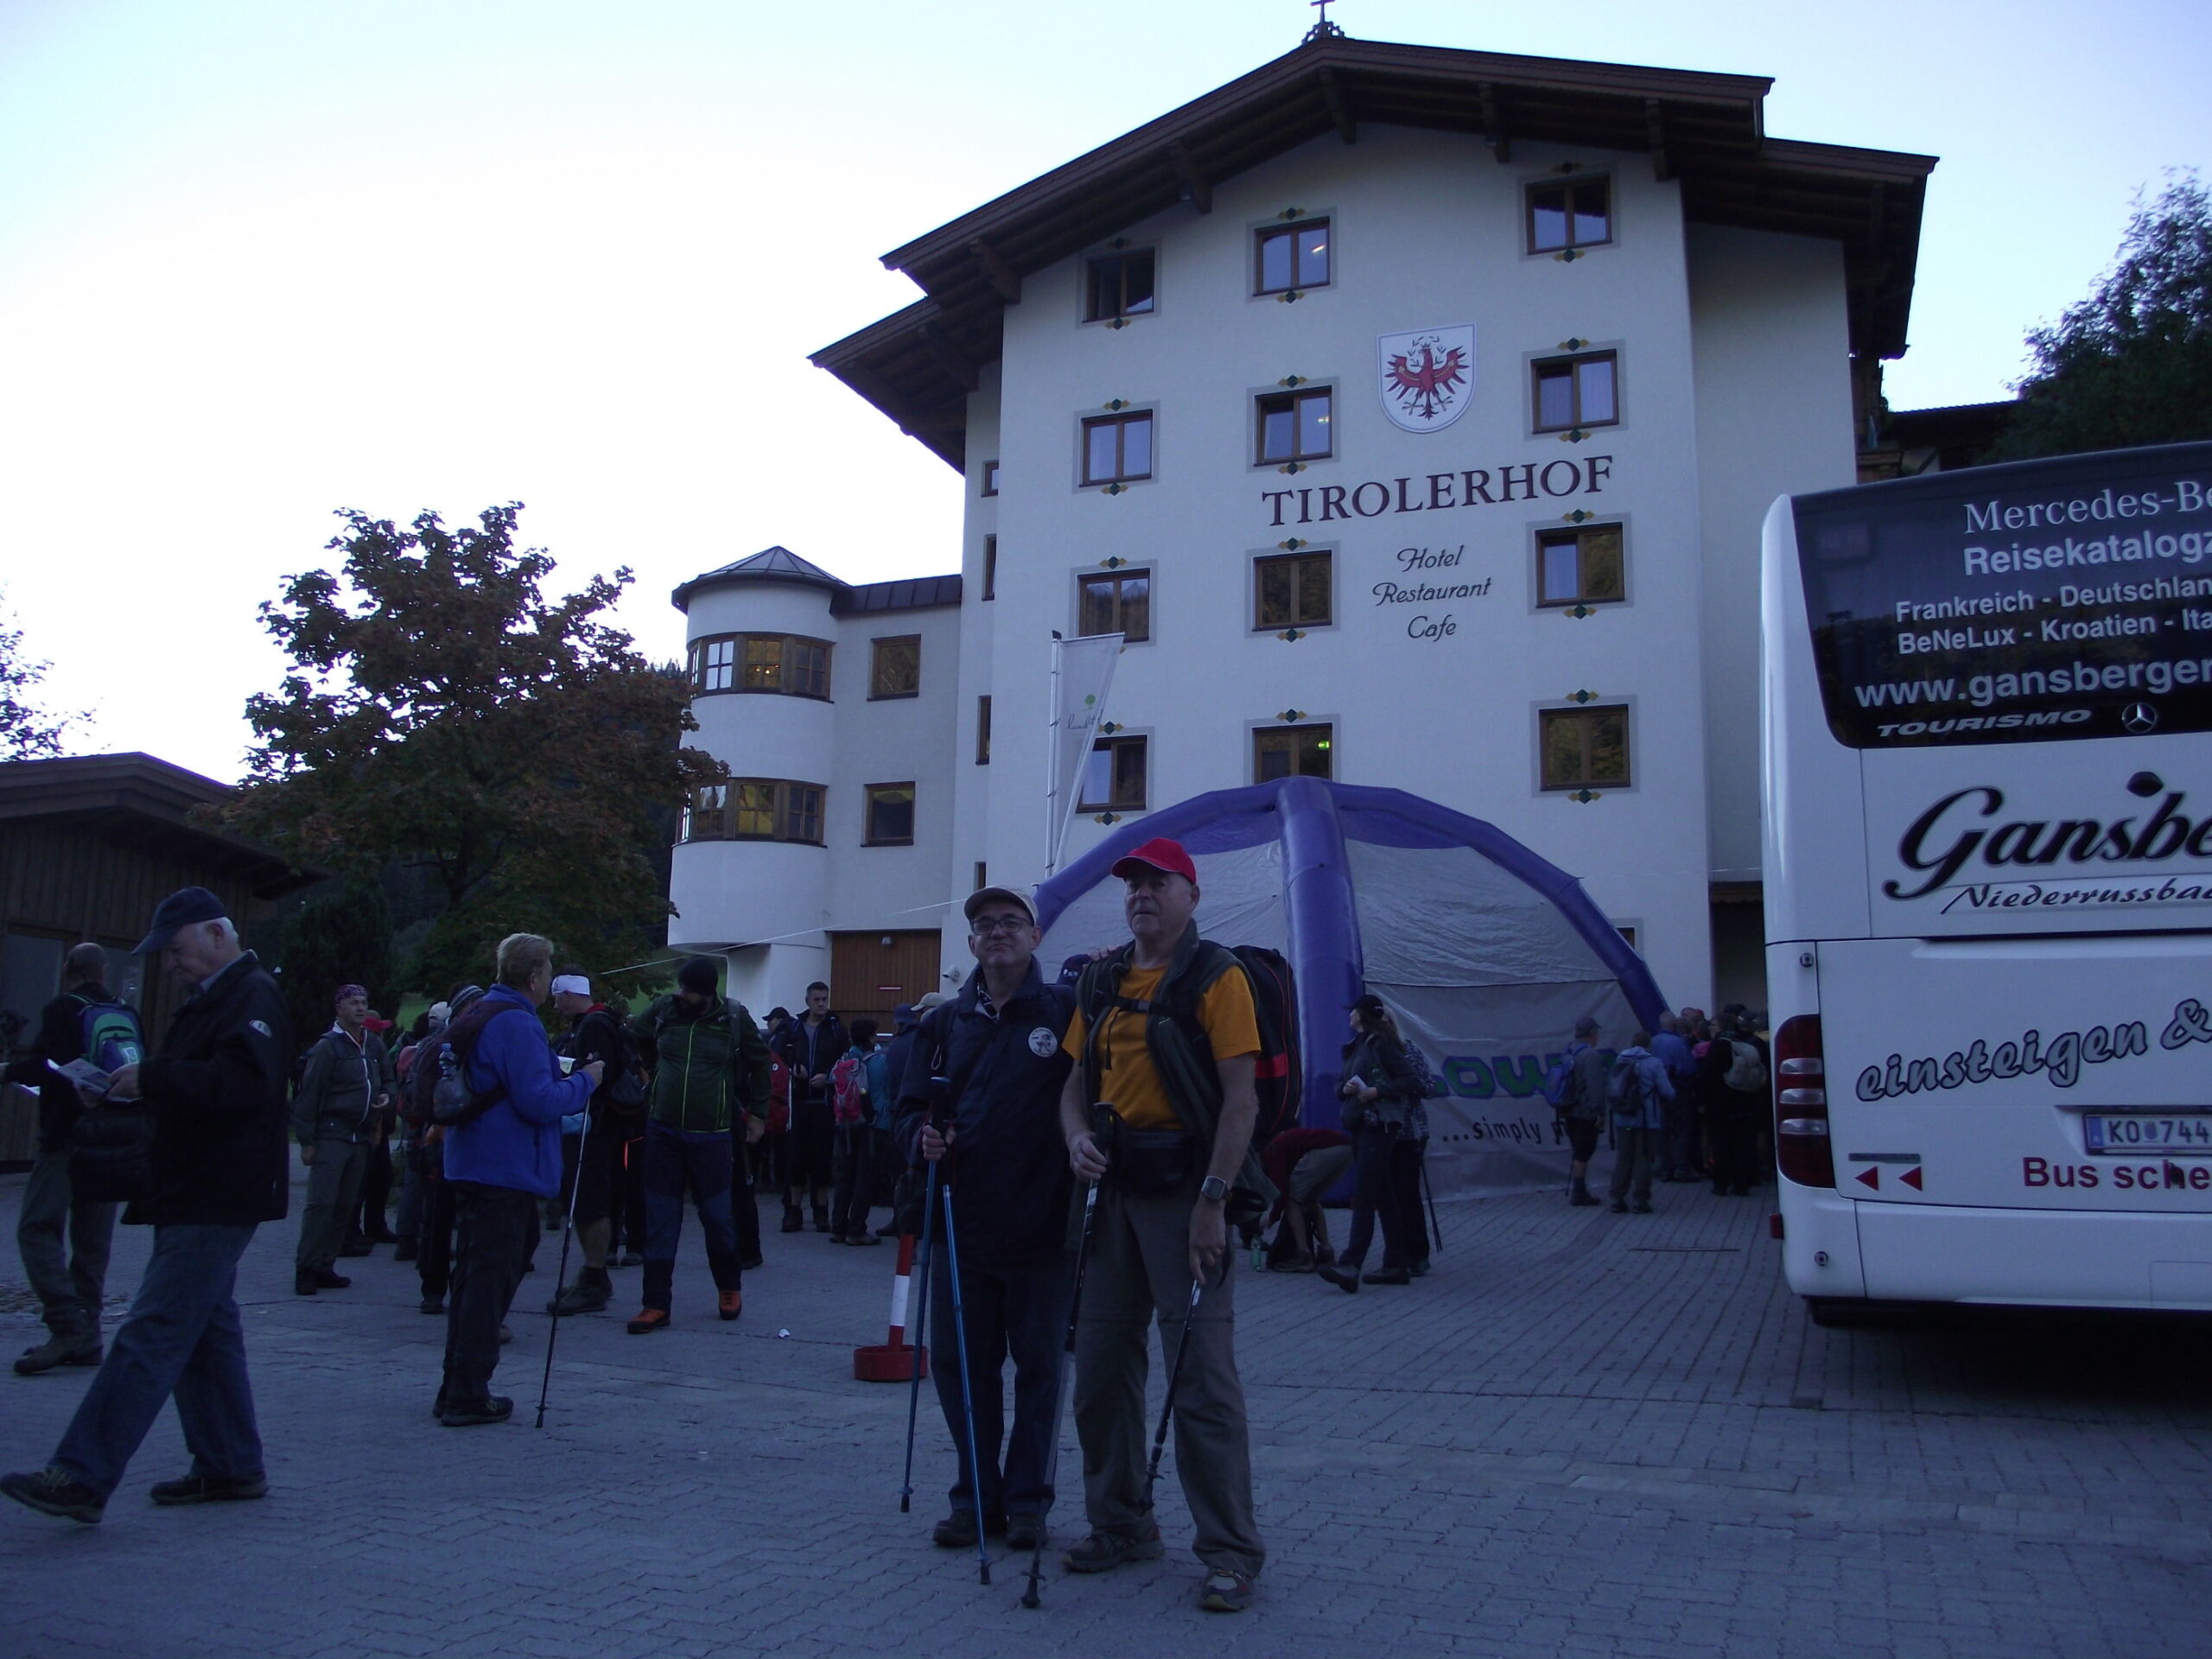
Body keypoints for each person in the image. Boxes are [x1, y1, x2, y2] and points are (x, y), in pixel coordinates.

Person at [2, 887, 290, 1522]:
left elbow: (244, 1085)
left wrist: (152, 1078)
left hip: (215, 1194)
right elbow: (210, 1082)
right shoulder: (223, 996)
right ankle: (230, 1464)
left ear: (216, 934)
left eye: (176, 950)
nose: (170, 964)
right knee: (206, 1328)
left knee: (153, 1330)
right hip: (199, 1190)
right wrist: (133, 1087)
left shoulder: (251, 996)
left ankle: (80, 1474)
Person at [1058, 836, 1268, 1614]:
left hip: (1186, 1196)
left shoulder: (1218, 975)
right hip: (1111, 1194)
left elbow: (1240, 1099)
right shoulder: (1102, 980)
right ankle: (1121, 1523)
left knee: (1201, 1379)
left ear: (1192, 896)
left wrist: (1214, 1201)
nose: (1142, 894)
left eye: (1159, 883)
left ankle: (1230, 1552)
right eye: (1134, 885)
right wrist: (1075, 1137)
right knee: (1101, 1372)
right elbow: (1073, 1084)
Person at [894, 884, 1076, 1554]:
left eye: (1011, 921)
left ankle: (1028, 1502)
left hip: (1043, 1228)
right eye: (985, 924)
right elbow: (907, 1111)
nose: (998, 931)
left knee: (1040, 1371)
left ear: (1035, 937)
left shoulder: (1066, 1012)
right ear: (971, 943)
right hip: (960, 1226)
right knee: (961, 1369)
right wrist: (920, 1139)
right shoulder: (945, 1024)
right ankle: (975, 1497)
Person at [435, 934, 598, 1426]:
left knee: (473, 1276)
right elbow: (538, 1101)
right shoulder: (517, 1023)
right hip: (504, 1169)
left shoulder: (481, 1011)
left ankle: (456, 1385)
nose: (549, 982)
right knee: (488, 1281)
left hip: (473, 1161)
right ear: (533, 977)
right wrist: (585, 1081)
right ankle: (467, 1393)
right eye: (547, 972)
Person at [623, 956, 768, 1333]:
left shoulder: (732, 1018)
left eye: (688, 990)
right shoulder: (664, 1010)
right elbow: (638, 1036)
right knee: (660, 1218)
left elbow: (760, 1063)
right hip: (663, 1132)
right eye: (681, 986)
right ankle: (655, 1304)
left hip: (712, 1137)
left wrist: (758, 1114)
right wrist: (657, 1073)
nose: (680, 994)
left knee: (718, 1217)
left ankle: (729, 1287)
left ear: (706, 994)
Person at [4, 943, 130, 1376]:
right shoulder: (123, 1010)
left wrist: (8, 1071)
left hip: (66, 1138)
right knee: (93, 1245)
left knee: (36, 1228)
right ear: (103, 972)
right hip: (112, 1140)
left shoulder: (63, 1008)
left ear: (66, 970)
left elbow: (47, 1066)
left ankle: (66, 1323)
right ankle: (88, 1337)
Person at [290, 983, 395, 1295]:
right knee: (322, 1204)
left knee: (345, 1206)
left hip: (361, 1136)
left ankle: (326, 1264)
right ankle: (306, 1267)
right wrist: (307, 1141)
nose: (360, 1008)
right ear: (339, 1008)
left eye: (363, 1002)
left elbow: (388, 1078)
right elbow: (309, 1094)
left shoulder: (372, 1045)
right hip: (333, 1133)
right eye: (353, 1003)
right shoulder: (329, 1047)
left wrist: (386, 1095)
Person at [543, 972, 637, 1318]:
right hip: (595, 1126)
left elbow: (599, 1075)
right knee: (587, 1201)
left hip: (593, 1129)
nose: (556, 1005)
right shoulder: (598, 1022)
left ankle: (594, 1277)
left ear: (570, 994)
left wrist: (568, 1072)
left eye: (558, 997)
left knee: (589, 1203)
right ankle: (594, 1274)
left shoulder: (593, 1026)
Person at [1319, 994, 1422, 1293]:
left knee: (1364, 1195)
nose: (1349, 1015)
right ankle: (1396, 1265)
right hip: (1360, 1125)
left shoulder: (1382, 1044)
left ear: (1361, 1015)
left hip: (1379, 1126)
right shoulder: (1357, 1046)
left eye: (1353, 1011)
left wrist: (1377, 1091)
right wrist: (1345, 1089)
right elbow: (1340, 1083)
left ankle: (1350, 1264)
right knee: (1383, 1196)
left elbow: (1411, 1081)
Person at [774, 983, 845, 1234]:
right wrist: (794, 1069)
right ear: (807, 1001)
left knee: (822, 1159)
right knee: (796, 1158)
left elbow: (846, 1060)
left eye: (825, 999)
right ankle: (793, 1210)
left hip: (824, 1102)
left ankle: (821, 1210)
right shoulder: (793, 1028)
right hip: (798, 1101)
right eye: (817, 999)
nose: (821, 1004)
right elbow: (778, 1056)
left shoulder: (836, 1028)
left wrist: (829, 1077)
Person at [1257, 1125, 1351, 1272]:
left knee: (1292, 1200)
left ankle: (1303, 1255)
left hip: (1324, 1150)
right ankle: (1326, 1251)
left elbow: (1283, 1192)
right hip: (1347, 1150)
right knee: (1310, 1199)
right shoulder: (1281, 1141)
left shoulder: (1271, 1151)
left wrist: (1272, 1217)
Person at [1700, 1006, 1769, 1198]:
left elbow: (1709, 1075)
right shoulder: (1747, 1044)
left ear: (1721, 1027)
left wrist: (1702, 1100)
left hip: (1720, 1105)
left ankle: (1722, 1183)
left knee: (1721, 1145)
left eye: (1714, 1025)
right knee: (1743, 1145)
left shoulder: (1719, 1045)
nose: (1711, 1028)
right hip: (1746, 1102)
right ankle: (1742, 1183)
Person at [829, 1017, 886, 1246]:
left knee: (844, 1177)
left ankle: (837, 1227)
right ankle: (856, 1229)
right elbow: (884, 1090)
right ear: (871, 1037)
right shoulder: (878, 1062)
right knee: (864, 1178)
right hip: (869, 1125)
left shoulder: (845, 1059)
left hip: (844, 1123)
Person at [1606, 1032, 1674, 1214]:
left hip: (1623, 1118)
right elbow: (1667, 1091)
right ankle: (1640, 1200)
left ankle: (1617, 1198)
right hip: (1646, 1119)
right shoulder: (1654, 1063)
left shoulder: (1621, 1059)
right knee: (1643, 1157)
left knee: (1624, 1157)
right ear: (1648, 1045)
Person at [1556, 1015, 1607, 1207]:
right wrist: (1599, 1112)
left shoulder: (1569, 1050)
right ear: (1592, 1033)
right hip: (1585, 1112)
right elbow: (1595, 1087)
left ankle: (1579, 1190)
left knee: (1579, 1150)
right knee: (1584, 1152)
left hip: (1569, 1108)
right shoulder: (1590, 1056)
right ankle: (1579, 1192)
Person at [1649, 1012, 1700, 1183]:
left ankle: (1665, 1168)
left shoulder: (1652, 1042)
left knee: (1662, 1130)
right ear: (1674, 1025)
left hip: (1657, 1091)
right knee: (1682, 1129)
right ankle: (1681, 1167)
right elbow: (1688, 1067)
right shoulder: (1678, 1042)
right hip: (1677, 1088)